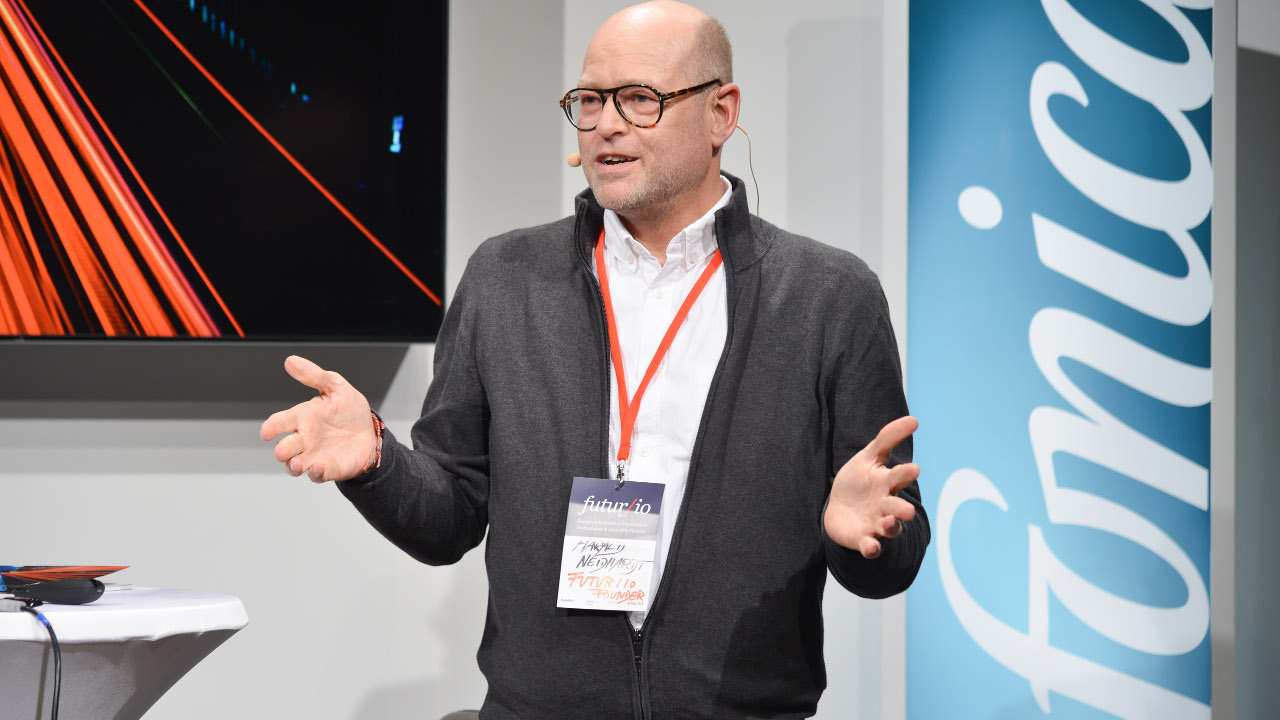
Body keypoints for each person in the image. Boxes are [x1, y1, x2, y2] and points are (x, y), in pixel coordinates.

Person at [261, 2, 929, 717]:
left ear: (720, 113)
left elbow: (895, 544)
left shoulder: (830, 295)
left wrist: (872, 541)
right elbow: (449, 515)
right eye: (589, 100)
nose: (606, 123)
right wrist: (376, 462)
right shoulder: (504, 276)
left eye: (640, 99)